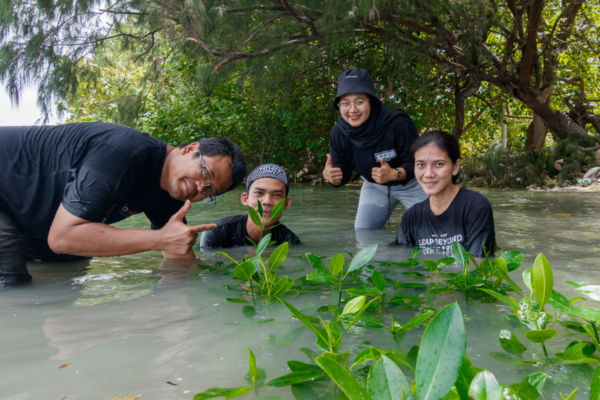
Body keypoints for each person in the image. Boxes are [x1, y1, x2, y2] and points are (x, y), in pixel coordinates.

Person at [0, 122, 247, 285]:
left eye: (210, 191)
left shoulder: (172, 195)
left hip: (24, 216)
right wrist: (158, 239)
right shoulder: (124, 153)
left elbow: (178, 255)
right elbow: (62, 237)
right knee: (15, 286)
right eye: (206, 174)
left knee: (67, 271)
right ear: (191, 149)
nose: (200, 188)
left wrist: (195, 302)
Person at [322, 68, 429, 230]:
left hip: (413, 184)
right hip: (375, 187)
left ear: (371, 101)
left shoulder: (397, 122)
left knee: (431, 231)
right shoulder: (338, 134)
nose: (352, 110)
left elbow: (419, 163)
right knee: (364, 233)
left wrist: (395, 173)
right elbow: (342, 174)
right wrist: (332, 178)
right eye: (345, 103)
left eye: (359, 101)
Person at [395, 130, 496, 256]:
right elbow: (400, 259)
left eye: (438, 164)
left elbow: (477, 264)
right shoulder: (412, 216)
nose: (428, 174)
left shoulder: (475, 206)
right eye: (421, 164)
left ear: (455, 167)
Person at [200, 164, 300, 249]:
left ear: (286, 203)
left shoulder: (289, 242)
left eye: (277, 195)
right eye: (259, 193)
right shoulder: (217, 233)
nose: (267, 201)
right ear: (245, 199)